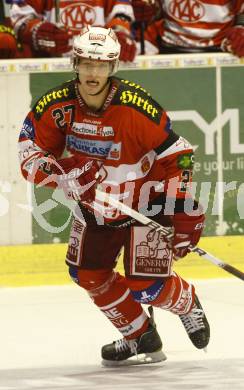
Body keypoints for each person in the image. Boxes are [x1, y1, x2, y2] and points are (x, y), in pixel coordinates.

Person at [18, 25, 210, 366]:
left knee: (146, 286)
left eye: (102, 64)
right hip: (95, 208)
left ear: (113, 67)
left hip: (146, 205)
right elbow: (29, 156)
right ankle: (140, 336)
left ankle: (186, 302)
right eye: (87, 63)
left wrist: (182, 209)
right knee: (88, 276)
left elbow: (179, 154)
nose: (94, 72)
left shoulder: (136, 107)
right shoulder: (55, 106)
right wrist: (63, 175)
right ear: (75, 63)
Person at [9, 0, 136, 61]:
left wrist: (118, 33)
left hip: (98, 66)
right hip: (51, 66)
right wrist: (36, 31)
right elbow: (20, 17)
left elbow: (122, 14)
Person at [132, 0, 244, 58]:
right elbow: (155, 11)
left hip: (220, 50)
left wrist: (241, 26)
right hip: (167, 48)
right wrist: (145, 13)